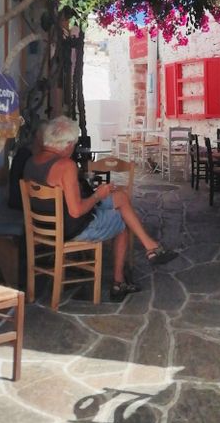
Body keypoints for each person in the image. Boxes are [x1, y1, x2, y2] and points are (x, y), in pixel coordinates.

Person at [23, 116, 177, 301]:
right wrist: (98, 195)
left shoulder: (32, 162)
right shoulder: (65, 166)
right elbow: (76, 211)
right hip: (71, 228)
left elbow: (67, 201)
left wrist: (98, 193)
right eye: (74, 143)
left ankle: (151, 247)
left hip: (44, 228)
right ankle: (119, 282)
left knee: (120, 198)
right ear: (68, 143)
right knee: (123, 219)